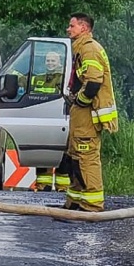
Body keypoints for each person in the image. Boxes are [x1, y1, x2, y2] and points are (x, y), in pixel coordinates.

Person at [57, 12, 117, 211]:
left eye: (72, 25)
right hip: (81, 113)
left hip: (88, 114)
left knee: (86, 156)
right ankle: (75, 199)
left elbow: (93, 83)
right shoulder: (81, 49)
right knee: (75, 155)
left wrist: (79, 102)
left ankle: (92, 204)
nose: (68, 29)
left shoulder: (89, 50)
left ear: (84, 28)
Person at [31, 50, 70, 192]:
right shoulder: (38, 78)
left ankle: (63, 187)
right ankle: (43, 185)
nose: (50, 63)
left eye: (53, 61)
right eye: (48, 60)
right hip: (42, 119)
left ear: (59, 62)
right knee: (42, 151)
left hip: (60, 119)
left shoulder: (63, 78)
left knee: (63, 153)